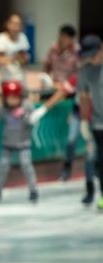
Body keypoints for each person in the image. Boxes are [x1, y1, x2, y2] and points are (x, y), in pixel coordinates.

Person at [32, 73, 99, 204]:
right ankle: (80, 180)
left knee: (96, 154)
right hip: (82, 116)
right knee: (80, 146)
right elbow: (62, 92)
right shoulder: (80, 76)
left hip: (97, 119)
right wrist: (42, 110)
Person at [0, 80, 39, 203]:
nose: (12, 101)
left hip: (23, 142)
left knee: (26, 165)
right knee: (3, 166)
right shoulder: (2, 109)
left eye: (15, 98)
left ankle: (33, 189)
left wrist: (24, 115)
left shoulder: (27, 106)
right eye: (9, 98)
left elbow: (32, 121)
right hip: (7, 143)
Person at [43, 25, 81, 181]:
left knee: (72, 138)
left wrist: (66, 86)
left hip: (72, 92)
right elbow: (46, 67)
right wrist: (49, 80)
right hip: (55, 87)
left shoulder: (77, 52)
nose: (64, 40)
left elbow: (76, 79)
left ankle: (67, 168)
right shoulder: (53, 49)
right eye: (62, 36)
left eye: (68, 38)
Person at [76, 34, 103, 210]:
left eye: (94, 54)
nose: (91, 59)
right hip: (98, 122)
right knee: (99, 160)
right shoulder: (85, 71)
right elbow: (84, 97)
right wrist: (84, 121)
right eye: (88, 55)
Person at [0, 13, 30, 83]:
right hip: (6, 80)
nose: (15, 26)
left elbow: (25, 58)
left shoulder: (23, 37)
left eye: (18, 24)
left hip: (21, 80)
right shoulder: (1, 38)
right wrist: (14, 58)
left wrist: (24, 58)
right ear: (7, 24)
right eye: (13, 23)